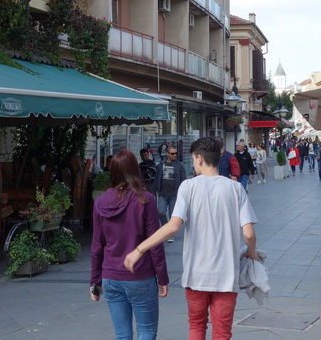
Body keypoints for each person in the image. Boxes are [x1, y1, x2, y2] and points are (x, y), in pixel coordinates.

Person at [123, 137, 259, 340]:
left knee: (196, 326)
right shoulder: (235, 188)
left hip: (196, 276)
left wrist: (139, 249)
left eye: (194, 159)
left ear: (199, 158)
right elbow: (248, 233)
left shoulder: (188, 187)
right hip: (226, 276)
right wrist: (251, 251)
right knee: (222, 333)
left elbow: (173, 226)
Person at [90, 150, 169, 340]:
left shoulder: (100, 201)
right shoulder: (145, 199)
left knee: (122, 334)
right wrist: (163, 278)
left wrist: (94, 281)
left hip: (110, 277)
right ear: (135, 169)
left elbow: (96, 245)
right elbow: (154, 242)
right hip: (141, 275)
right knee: (147, 331)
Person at [154, 146, 187, 242]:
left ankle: (170, 234)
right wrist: (154, 191)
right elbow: (157, 179)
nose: (175, 155)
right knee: (161, 212)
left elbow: (183, 179)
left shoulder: (179, 165)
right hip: (162, 193)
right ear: (167, 154)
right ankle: (166, 229)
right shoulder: (161, 165)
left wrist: (182, 192)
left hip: (174, 194)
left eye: (176, 153)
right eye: (172, 153)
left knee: (173, 214)